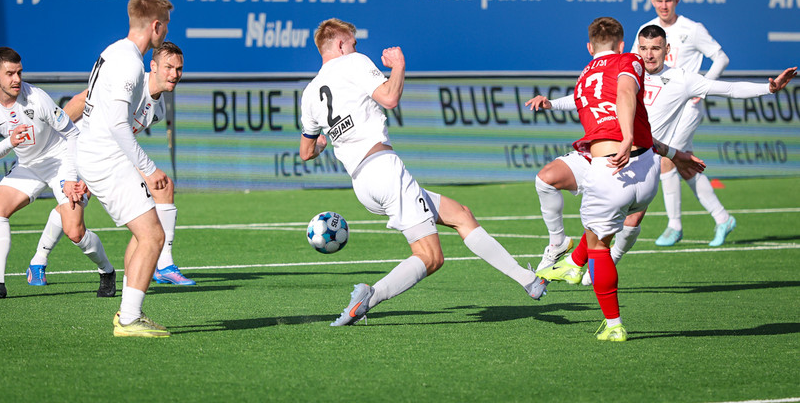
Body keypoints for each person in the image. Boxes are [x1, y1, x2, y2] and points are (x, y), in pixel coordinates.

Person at [299, 18, 547, 328]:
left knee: (461, 215)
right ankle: (369, 297)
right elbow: (389, 98)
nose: (356, 48)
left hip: (362, 184)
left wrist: (323, 143)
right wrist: (399, 66)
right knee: (431, 257)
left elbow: (306, 152)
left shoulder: (309, 93)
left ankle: (528, 280)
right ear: (340, 44)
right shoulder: (354, 62)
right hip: (384, 169)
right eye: (353, 43)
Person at [529, 25, 794, 281]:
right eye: (643, 48)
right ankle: (562, 248)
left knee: (627, 222)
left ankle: (602, 265)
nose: (649, 54)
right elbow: (586, 96)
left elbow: (730, 89)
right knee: (547, 179)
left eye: (655, 48)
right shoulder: (624, 68)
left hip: (640, 160)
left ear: (667, 50)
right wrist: (551, 103)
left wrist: (768, 88)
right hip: (602, 152)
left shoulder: (682, 79)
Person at [535, 17, 660, 342]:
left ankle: (614, 324)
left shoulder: (585, 77)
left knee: (599, 246)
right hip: (648, 171)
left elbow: (623, 94)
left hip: (611, 168)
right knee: (596, 223)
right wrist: (676, 154)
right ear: (622, 44)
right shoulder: (629, 61)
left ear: (590, 47)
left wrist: (625, 137)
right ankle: (574, 263)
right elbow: (625, 92)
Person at [27, 42, 193, 286]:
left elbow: (124, 136)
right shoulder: (133, 80)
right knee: (74, 225)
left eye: (179, 69)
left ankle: (163, 263)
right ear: (153, 66)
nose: (174, 74)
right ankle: (39, 260)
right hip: (78, 148)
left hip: (105, 156)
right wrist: (55, 137)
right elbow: (82, 99)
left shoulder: (157, 110)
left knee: (163, 186)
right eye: (169, 67)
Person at [0, 47, 116, 299]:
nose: (17, 79)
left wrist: (71, 178)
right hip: (28, 165)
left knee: (75, 231)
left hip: (60, 160)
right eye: (10, 74)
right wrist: (10, 142)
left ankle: (107, 271)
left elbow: (72, 134)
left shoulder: (37, 98)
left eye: (19, 72)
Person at [77, 0, 174, 338]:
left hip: (98, 154)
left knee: (145, 236)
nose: (166, 32)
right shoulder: (129, 63)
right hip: (106, 158)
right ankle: (129, 319)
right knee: (153, 236)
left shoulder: (114, 50)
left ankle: (130, 313)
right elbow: (119, 125)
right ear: (156, 26)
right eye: (166, 25)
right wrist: (148, 168)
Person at [631, 0, 732, 247]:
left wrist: (703, 87)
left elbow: (721, 57)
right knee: (684, 165)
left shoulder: (692, 29)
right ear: (652, 2)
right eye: (659, 1)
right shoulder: (646, 31)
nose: (664, 6)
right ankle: (722, 218)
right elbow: (634, 64)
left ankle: (674, 226)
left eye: (668, 1)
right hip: (662, 107)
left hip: (688, 107)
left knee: (666, 158)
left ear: (676, 1)